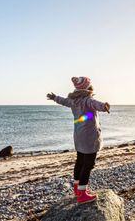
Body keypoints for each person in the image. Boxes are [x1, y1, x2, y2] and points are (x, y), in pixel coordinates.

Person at [47, 76, 110, 204]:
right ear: (88, 87)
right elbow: (96, 104)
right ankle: (82, 194)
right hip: (89, 137)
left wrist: (54, 97)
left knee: (80, 161)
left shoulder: (73, 101)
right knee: (88, 164)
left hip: (79, 135)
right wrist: (104, 106)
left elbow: (63, 101)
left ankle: (77, 189)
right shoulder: (88, 100)